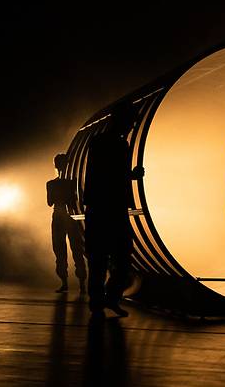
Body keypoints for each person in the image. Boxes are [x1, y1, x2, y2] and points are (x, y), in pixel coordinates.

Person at [83, 102, 144, 319]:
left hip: (98, 208)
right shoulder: (118, 145)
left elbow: (100, 176)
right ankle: (109, 298)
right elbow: (112, 177)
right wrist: (132, 176)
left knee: (99, 259)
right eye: (130, 123)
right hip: (112, 209)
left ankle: (99, 303)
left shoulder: (97, 142)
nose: (131, 127)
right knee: (119, 256)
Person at [47, 153, 87, 293]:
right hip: (71, 217)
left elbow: (49, 202)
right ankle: (82, 283)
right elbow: (80, 199)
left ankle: (65, 283)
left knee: (60, 251)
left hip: (58, 217)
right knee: (77, 250)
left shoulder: (51, 184)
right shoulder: (72, 183)